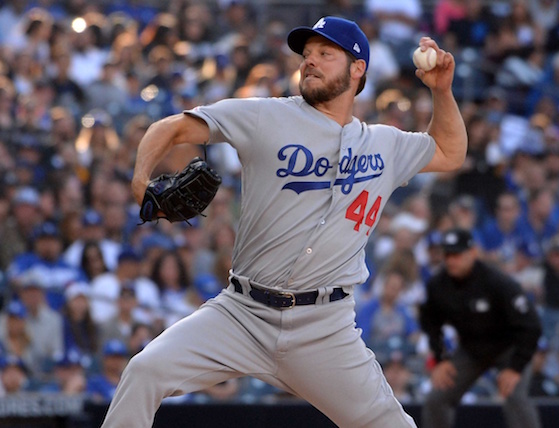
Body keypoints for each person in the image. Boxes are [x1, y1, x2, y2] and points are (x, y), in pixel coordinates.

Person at [101, 15, 467, 428]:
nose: (310, 61)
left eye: (325, 54)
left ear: (358, 68)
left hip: (324, 331)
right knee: (145, 371)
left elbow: (450, 153)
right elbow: (171, 127)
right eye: (306, 55)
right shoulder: (265, 116)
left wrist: (442, 92)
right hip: (241, 314)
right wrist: (139, 180)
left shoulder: (384, 143)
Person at [419, 228, 542, 428]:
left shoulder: (497, 282)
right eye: (448, 255)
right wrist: (440, 359)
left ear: (473, 253)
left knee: (515, 397)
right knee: (436, 398)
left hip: (509, 349)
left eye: (457, 255)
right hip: (471, 350)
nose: (451, 261)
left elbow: (531, 325)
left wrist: (516, 367)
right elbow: (430, 321)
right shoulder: (438, 285)